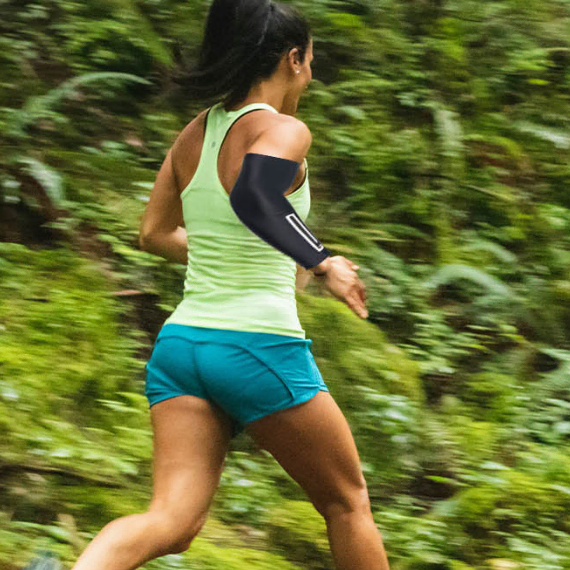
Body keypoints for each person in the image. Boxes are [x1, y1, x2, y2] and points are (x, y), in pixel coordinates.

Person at [71, 1, 390, 569]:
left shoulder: (195, 132)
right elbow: (253, 197)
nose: (311, 75)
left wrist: (240, 249)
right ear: (293, 59)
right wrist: (323, 262)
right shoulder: (283, 128)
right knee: (348, 502)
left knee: (170, 522)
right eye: (311, 61)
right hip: (254, 345)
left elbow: (153, 233)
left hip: (183, 347)